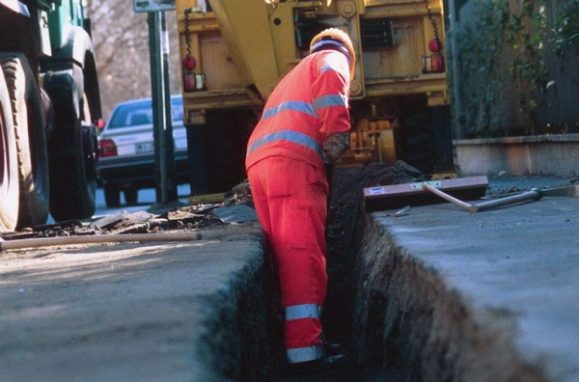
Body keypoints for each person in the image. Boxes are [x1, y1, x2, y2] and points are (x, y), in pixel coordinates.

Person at [245, 28, 355, 373]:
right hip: (292, 167)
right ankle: (306, 353)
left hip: (261, 166)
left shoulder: (291, 75)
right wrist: (336, 132)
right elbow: (330, 78)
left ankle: (299, 340)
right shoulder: (331, 58)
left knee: (282, 257)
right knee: (301, 259)